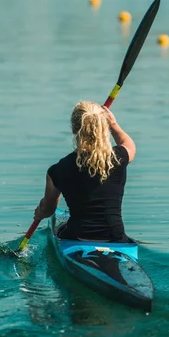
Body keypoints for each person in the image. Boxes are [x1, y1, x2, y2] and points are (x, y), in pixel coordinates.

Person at [33, 100, 136, 242]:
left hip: (77, 237)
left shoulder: (58, 170)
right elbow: (129, 144)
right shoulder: (119, 157)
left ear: (74, 129)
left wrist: (41, 212)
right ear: (104, 128)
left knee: (61, 228)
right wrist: (113, 124)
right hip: (116, 237)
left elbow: (49, 210)